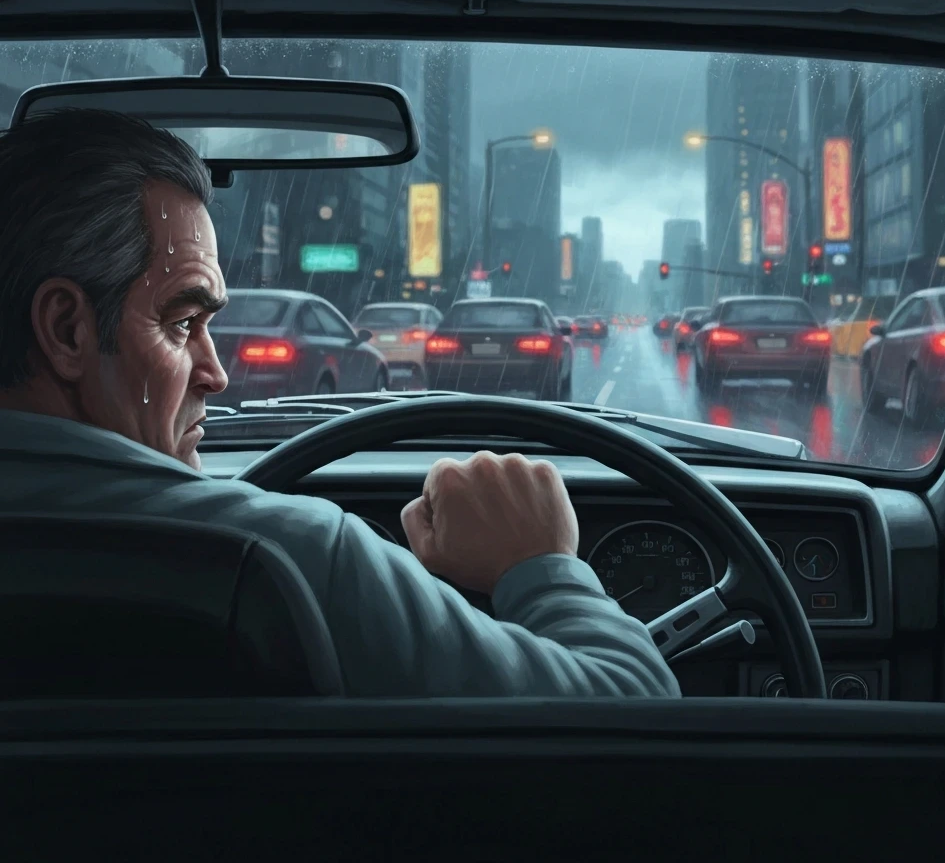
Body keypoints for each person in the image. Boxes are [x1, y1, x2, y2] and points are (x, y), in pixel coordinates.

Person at [0, 108, 679, 698]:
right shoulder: (289, 559)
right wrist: (544, 571)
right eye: (181, 325)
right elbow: (633, 729)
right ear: (66, 329)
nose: (216, 374)